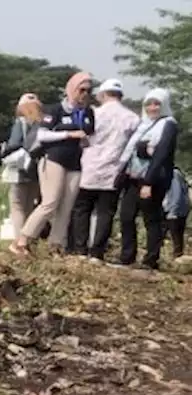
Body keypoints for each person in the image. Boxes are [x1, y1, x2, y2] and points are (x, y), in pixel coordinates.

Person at [13, 72, 96, 256]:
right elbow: (42, 135)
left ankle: (56, 245)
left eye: (89, 91)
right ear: (72, 89)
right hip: (53, 159)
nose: (85, 94)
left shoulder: (88, 113)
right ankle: (23, 239)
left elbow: (90, 134)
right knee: (50, 202)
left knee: (66, 207)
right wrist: (68, 135)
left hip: (75, 162)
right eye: (81, 90)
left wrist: (85, 141)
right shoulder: (55, 110)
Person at [72, 79, 138, 260]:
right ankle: (97, 252)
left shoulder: (94, 113)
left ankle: (80, 249)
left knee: (82, 209)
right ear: (121, 96)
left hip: (90, 168)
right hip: (114, 171)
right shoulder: (132, 118)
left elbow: (83, 137)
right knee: (105, 212)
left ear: (102, 95)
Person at [115, 88, 178, 271]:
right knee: (126, 216)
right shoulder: (143, 125)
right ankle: (127, 257)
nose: (152, 107)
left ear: (164, 104)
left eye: (157, 104)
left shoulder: (168, 124)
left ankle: (151, 260)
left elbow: (161, 154)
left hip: (154, 179)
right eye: (149, 104)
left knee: (151, 219)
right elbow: (134, 150)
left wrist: (148, 182)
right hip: (134, 177)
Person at [1, 94, 43, 241]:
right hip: (36, 171)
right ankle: (29, 239)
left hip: (19, 170)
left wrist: (5, 149)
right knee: (30, 206)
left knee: (17, 206)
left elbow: (14, 144)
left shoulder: (21, 122)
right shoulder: (43, 123)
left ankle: (19, 242)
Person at [163, 166, 188, 262]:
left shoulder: (173, 174)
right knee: (177, 236)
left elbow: (176, 193)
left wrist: (173, 210)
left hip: (174, 209)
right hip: (179, 209)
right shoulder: (176, 173)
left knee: (175, 234)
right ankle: (176, 256)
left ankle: (176, 258)